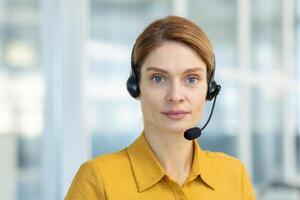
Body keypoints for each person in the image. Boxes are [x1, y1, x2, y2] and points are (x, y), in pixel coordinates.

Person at [65, 15, 256, 200]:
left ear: (210, 89)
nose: (175, 96)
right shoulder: (98, 179)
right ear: (135, 86)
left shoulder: (233, 175)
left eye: (191, 79)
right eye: (158, 78)